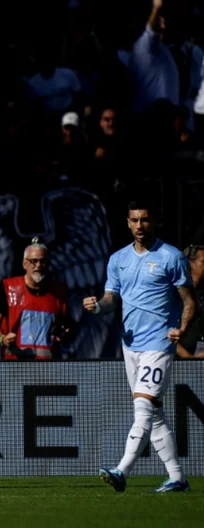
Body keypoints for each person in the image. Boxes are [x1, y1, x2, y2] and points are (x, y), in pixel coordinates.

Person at [84, 199, 196, 493]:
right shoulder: (118, 259)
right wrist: (97, 307)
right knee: (154, 414)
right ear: (127, 222)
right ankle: (177, 478)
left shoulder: (171, 257)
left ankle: (122, 470)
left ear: (154, 221)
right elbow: (111, 301)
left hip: (158, 344)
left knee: (143, 407)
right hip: (130, 345)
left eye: (144, 220)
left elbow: (189, 301)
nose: (139, 226)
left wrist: (181, 329)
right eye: (134, 220)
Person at [0, 237, 74, 360]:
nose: (38, 265)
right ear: (24, 264)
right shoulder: (9, 288)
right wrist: (3, 339)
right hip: (15, 367)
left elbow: (67, 326)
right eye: (34, 261)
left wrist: (65, 334)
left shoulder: (59, 292)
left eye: (42, 261)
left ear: (48, 264)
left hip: (48, 369)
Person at [176, 244, 204, 359]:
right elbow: (160, 329)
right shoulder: (173, 293)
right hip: (176, 360)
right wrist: (188, 358)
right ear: (191, 264)